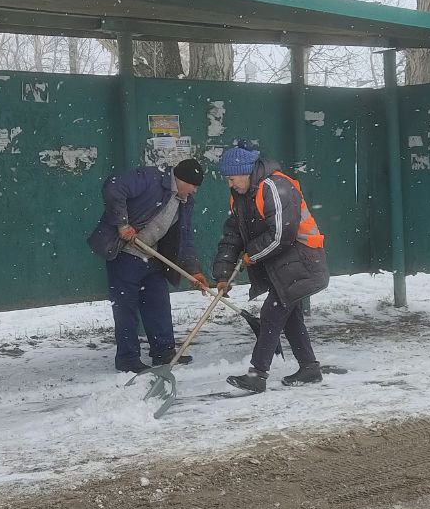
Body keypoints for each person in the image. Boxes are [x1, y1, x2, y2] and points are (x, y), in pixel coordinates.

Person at [212, 140, 328, 393]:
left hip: (303, 259)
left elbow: (281, 235)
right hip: (284, 263)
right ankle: (309, 368)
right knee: (290, 317)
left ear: (245, 172)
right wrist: (223, 274)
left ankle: (257, 375)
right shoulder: (240, 197)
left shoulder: (275, 186)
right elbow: (233, 236)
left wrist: (251, 256)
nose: (230, 184)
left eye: (232, 178)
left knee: (272, 313)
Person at [87, 159, 208, 373]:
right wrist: (122, 223)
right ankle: (127, 359)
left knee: (158, 305)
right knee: (126, 309)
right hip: (125, 254)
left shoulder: (185, 201)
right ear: (181, 180)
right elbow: (114, 186)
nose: (194, 191)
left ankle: (163, 352)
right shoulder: (151, 178)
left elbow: (185, 238)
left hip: (153, 256)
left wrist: (194, 271)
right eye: (193, 186)